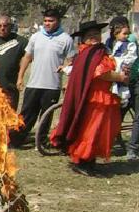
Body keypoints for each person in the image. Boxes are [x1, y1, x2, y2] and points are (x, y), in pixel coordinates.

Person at [49, 20, 130, 176]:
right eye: (90, 35)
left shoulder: (91, 52)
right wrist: (120, 77)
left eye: (96, 34)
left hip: (97, 96)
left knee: (95, 130)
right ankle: (82, 161)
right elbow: (101, 73)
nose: (94, 37)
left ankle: (88, 159)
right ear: (83, 38)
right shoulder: (92, 53)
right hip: (95, 98)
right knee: (92, 130)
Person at [11, 8, 76, 146]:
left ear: (58, 21)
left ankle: (40, 141)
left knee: (46, 116)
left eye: (51, 21)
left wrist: (67, 79)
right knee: (26, 114)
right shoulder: (36, 37)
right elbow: (27, 57)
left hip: (52, 86)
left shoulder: (66, 39)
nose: (47, 23)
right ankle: (17, 140)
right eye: (45, 20)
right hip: (34, 84)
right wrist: (20, 77)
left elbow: (71, 61)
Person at [105, 15, 139, 160]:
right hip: (123, 81)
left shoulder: (129, 40)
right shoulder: (109, 42)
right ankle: (110, 143)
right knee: (116, 113)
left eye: (126, 30)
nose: (127, 33)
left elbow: (129, 59)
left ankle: (133, 149)